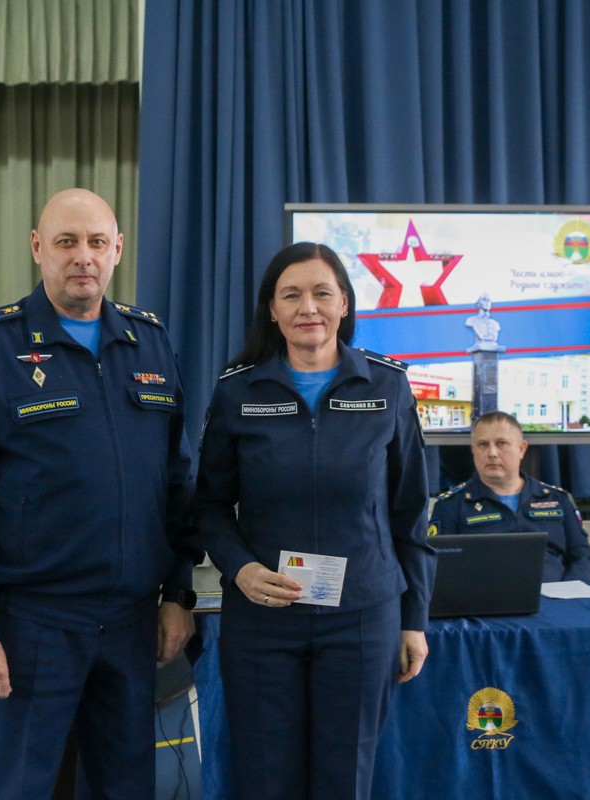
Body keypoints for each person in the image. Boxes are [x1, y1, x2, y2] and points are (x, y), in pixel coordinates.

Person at [0, 189, 198, 799]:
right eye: (66, 242)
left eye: (97, 242)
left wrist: (177, 592)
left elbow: (175, 483)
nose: (82, 257)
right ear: (37, 247)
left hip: (131, 625)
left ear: (117, 249)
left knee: (125, 790)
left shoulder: (148, 340)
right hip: (28, 627)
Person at [193, 241, 435, 800]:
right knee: (265, 777)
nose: (308, 307)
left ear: (344, 304)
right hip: (263, 617)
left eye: (322, 293)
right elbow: (208, 506)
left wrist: (415, 619)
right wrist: (241, 569)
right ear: (272, 310)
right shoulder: (237, 391)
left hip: (361, 617)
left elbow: (409, 511)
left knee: (344, 779)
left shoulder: (387, 386)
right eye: (292, 295)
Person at [428, 411, 590, 583]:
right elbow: (438, 566)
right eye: (483, 444)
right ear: (473, 450)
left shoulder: (557, 499)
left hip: (557, 595)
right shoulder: (451, 505)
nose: (492, 453)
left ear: (521, 449)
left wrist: (570, 591)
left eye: (501, 443)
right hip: (483, 597)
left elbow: (584, 558)